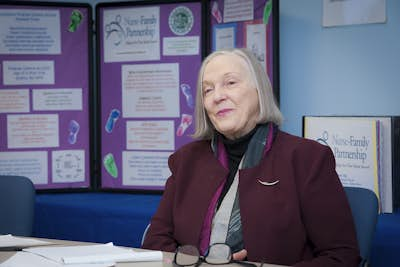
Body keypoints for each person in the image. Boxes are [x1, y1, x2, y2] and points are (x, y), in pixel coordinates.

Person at [142, 48, 360, 266]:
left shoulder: (307, 159)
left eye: (230, 83)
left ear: (259, 91)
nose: (217, 96)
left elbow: (341, 257)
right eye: (207, 90)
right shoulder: (186, 160)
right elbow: (155, 241)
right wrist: (200, 264)